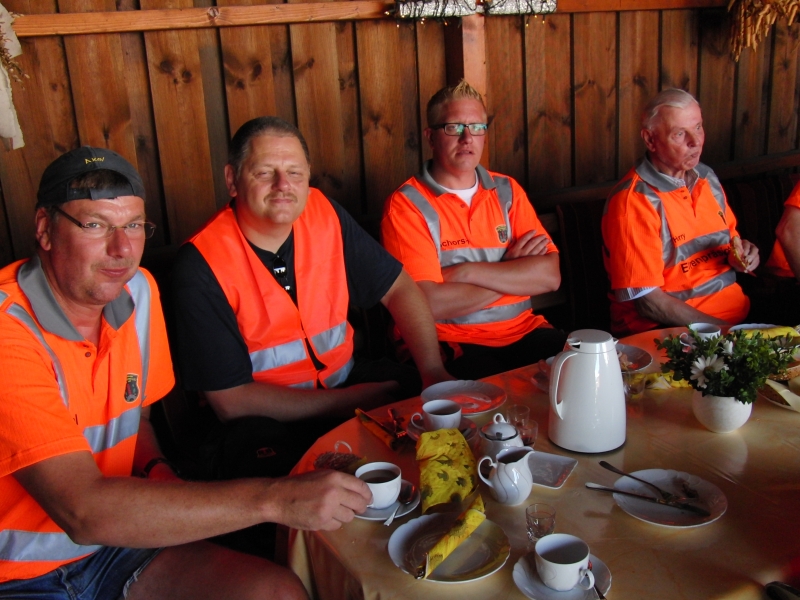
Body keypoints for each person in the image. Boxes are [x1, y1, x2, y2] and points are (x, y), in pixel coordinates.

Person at [0, 146, 373, 600]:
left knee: (276, 591)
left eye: (133, 225)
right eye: (95, 225)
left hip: (114, 545)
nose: (122, 250)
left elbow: (136, 417)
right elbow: (82, 511)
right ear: (44, 228)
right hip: (19, 576)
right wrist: (276, 499)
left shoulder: (137, 291)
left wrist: (156, 468)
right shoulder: (9, 330)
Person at [171, 117, 451, 484]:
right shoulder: (201, 263)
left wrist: (432, 372)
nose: (282, 185)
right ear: (232, 180)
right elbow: (231, 402)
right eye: (264, 173)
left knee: (438, 411)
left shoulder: (323, 213)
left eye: (294, 173)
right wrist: (350, 402)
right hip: (262, 418)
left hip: (345, 379)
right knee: (279, 481)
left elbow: (399, 287)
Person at [381, 80, 565, 381]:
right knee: (489, 397)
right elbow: (427, 304)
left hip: (524, 330)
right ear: (430, 137)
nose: (467, 138)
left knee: (584, 371)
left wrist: (464, 272)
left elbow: (550, 276)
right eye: (454, 127)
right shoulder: (407, 205)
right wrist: (511, 271)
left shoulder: (507, 190)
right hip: (451, 341)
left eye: (477, 127)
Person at [601, 88, 759, 336]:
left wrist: (743, 256)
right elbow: (649, 303)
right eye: (679, 134)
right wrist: (724, 334)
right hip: (670, 334)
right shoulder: (633, 201)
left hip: (737, 323)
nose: (695, 141)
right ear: (650, 140)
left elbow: (730, 248)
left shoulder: (706, 177)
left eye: (698, 127)